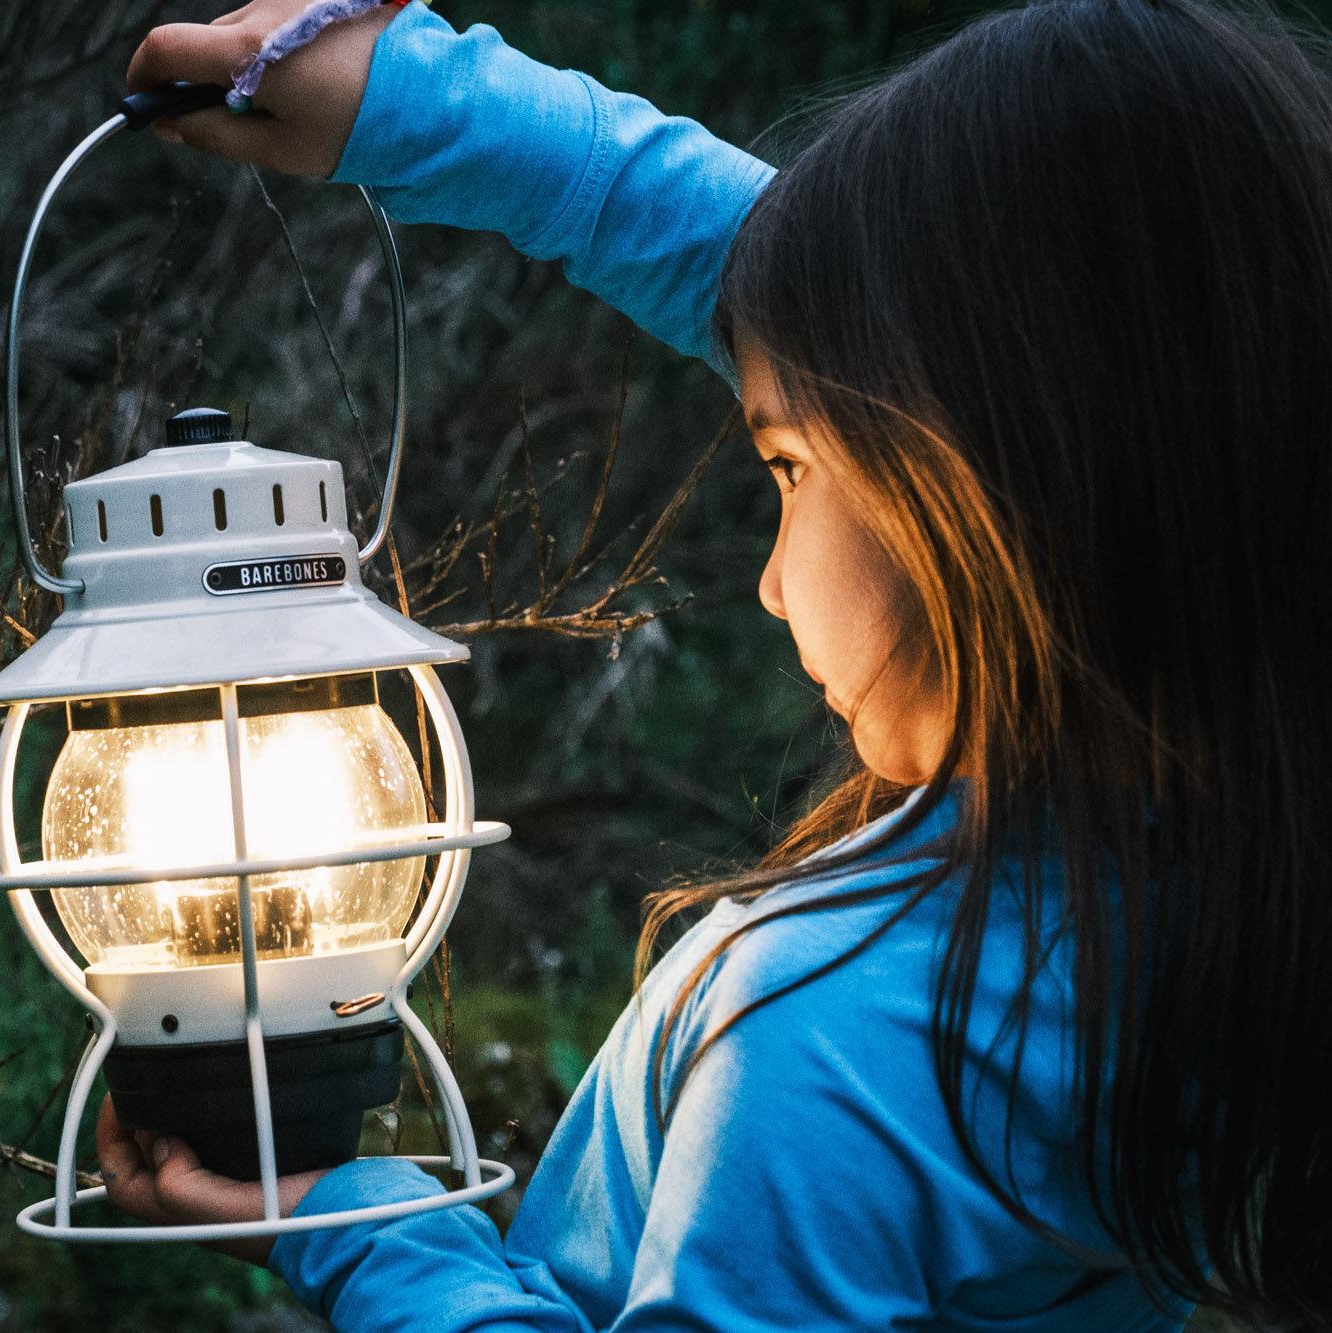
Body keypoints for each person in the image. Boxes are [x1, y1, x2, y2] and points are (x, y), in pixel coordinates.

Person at [93, 1, 1332, 1328]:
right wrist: (415, 102)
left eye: (788, 463)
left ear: (992, 492)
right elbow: (831, 300)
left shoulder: (835, 1058)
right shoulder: (1215, 860)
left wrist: (371, 1242)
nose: (769, 578)